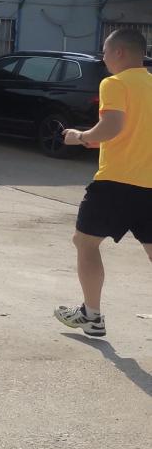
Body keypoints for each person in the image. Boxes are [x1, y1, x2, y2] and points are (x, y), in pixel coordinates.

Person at [55, 27, 152, 337]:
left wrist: (80, 136)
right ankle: (90, 315)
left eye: (105, 51)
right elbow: (127, 132)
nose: (103, 57)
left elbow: (111, 126)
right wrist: (94, 140)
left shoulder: (115, 83)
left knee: (85, 242)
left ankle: (92, 315)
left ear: (119, 52)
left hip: (115, 183)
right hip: (149, 184)